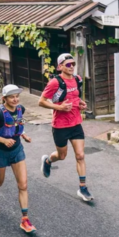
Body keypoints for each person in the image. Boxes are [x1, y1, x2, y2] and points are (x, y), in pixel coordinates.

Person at [0, 85, 36, 234]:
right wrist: (4, 140)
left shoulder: (20, 109)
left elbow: (17, 123)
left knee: (23, 185)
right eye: (12, 97)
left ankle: (25, 219)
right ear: (4, 98)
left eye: (17, 96)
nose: (15, 99)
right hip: (0, 152)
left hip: (17, 150)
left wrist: (23, 134)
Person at [39, 53, 93, 202]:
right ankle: (48, 161)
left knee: (80, 155)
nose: (71, 67)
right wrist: (59, 107)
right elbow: (41, 101)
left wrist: (81, 103)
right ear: (60, 66)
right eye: (68, 64)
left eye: (73, 64)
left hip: (76, 123)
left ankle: (83, 188)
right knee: (61, 156)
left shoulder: (77, 79)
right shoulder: (55, 83)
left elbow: (75, 96)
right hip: (60, 126)